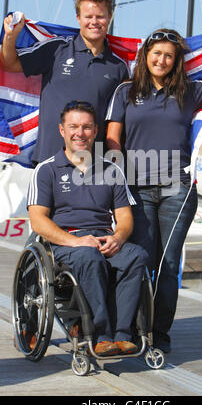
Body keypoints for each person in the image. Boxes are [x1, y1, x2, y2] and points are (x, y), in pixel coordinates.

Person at [106, 18, 202, 353]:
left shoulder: (189, 90)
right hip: (137, 189)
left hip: (177, 189)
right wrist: (117, 178)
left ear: (176, 60)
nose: (161, 60)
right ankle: (131, 329)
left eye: (169, 55)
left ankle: (159, 333)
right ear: (146, 55)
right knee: (140, 259)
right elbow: (112, 139)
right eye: (156, 53)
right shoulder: (125, 92)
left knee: (169, 264)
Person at [27, 100, 147, 356]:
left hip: (103, 239)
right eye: (73, 127)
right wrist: (76, 242)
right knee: (89, 256)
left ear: (95, 131)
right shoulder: (46, 170)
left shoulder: (112, 170)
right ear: (62, 130)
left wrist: (118, 237)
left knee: (136, 255)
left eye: (86, 127)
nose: (79, 133)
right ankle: (100, 335)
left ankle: (123, 335)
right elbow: (38, 220)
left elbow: (125, 219)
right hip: (65, 242)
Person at [0, 0, 129, 165]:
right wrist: (10, 36)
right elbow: (9, 64)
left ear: (110, 17)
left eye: (100, 16)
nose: (94, 22)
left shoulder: (119, 67)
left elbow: (118, 118)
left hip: (93, 163)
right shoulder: (56, 49)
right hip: (49, 158)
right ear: (78, 18)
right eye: (88, 16)